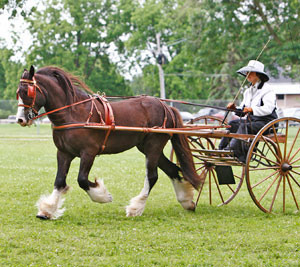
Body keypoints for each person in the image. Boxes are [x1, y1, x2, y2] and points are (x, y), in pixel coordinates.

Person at [219, 60, 278, 163]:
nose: (247, 75)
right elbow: (243, 111)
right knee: (232, 124)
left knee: (244, 126)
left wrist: (252, 109)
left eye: (251, 72)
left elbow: (268, 108)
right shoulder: (247, 91)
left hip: (267, 123)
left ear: (258, 74)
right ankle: (221, 150)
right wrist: (234, 109)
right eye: (247, 72)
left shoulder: (267, 89)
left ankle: (231, 151)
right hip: (252, 122)